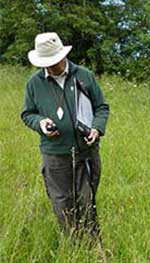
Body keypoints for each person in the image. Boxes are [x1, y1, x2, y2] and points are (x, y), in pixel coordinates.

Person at [21, 32, 110, 236]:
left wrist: (96, 128)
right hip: (54, 154)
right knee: (61, 203)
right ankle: (71, 244)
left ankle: (92, 244)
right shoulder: (34, 83)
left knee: (86, 202)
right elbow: (27, 113)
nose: (50, 67)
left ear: (62, 55)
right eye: (46, 63)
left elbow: (102, 108)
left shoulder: (84, 76)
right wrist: (40, 122)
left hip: (86, 152)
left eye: (54, 61)